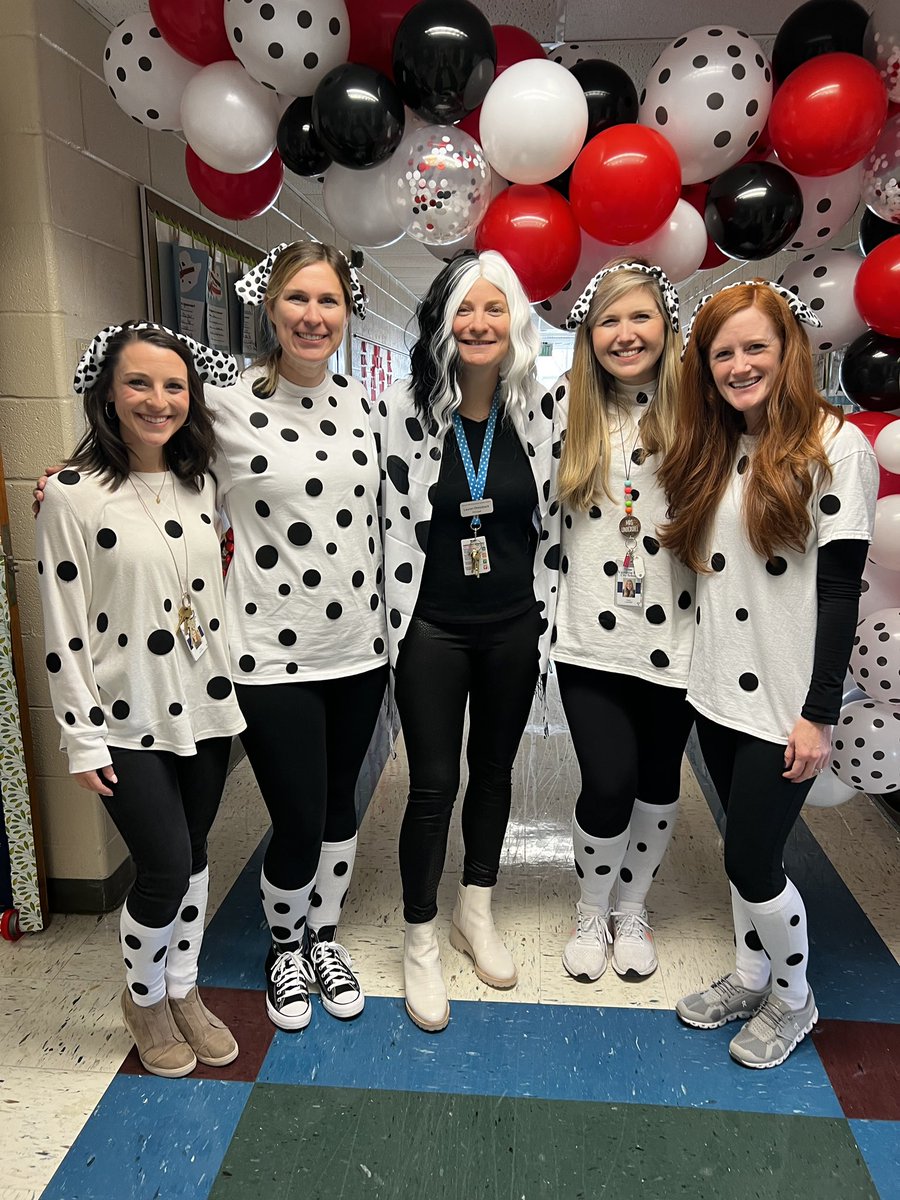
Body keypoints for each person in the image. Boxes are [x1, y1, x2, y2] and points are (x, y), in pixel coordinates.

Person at [658, 281, 878, 1068]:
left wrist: (820, 713)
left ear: (788, 352)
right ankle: (752, 975)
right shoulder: (721, 443)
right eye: (723, 352)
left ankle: (794, 999)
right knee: (740, 854)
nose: (740, 363)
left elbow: (839, 587)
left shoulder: (835, 447)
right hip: (717, 686)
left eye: (756, 347)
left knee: (755, 859)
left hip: (786, 700)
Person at [36, 322, 246, 1077]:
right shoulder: (69, 495)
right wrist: (81, 738)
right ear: (107, 394)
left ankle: (183, 988)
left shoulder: (203, 481)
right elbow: (60, 627)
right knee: (161, 868)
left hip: (207, 707)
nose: (158, 401)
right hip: (125, 717)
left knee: (193, 863)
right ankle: (144, 998)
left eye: (174, 386)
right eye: (139, 384)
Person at [371, 250, 562, 1032]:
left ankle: (473, 910)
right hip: (432, 630)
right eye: (464, 309)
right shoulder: (401, 412)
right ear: (443, 321)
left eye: (494, 309)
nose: (479, 324)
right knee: (432, 785)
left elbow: (562, 521)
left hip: (514, 625)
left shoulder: (541, 412)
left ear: (515, 321)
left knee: (493, 774)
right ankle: (420, 936)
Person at [209, 241, 389, 1031]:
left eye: (330, 303)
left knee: (341, 803)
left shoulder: (365, 405)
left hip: (358, 646)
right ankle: (285, 945)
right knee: (298, 814)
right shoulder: (223, 405)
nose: (314, 316)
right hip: (267, 648)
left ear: (346, 315)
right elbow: (151, 464)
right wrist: (72, 479)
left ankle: (325, 935)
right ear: (271, 307)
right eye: (299, 300)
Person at [551, 260, 696, 985]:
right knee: (607, 781)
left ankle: (631, 908)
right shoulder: (564, 408)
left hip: (680, 638)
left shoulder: (700, 412)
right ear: (589, 335)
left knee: (658, 783)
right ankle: (591, 907)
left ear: (667, 328)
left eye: (640, 317)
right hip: (587, 638)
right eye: (609, 320)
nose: (625, 333)